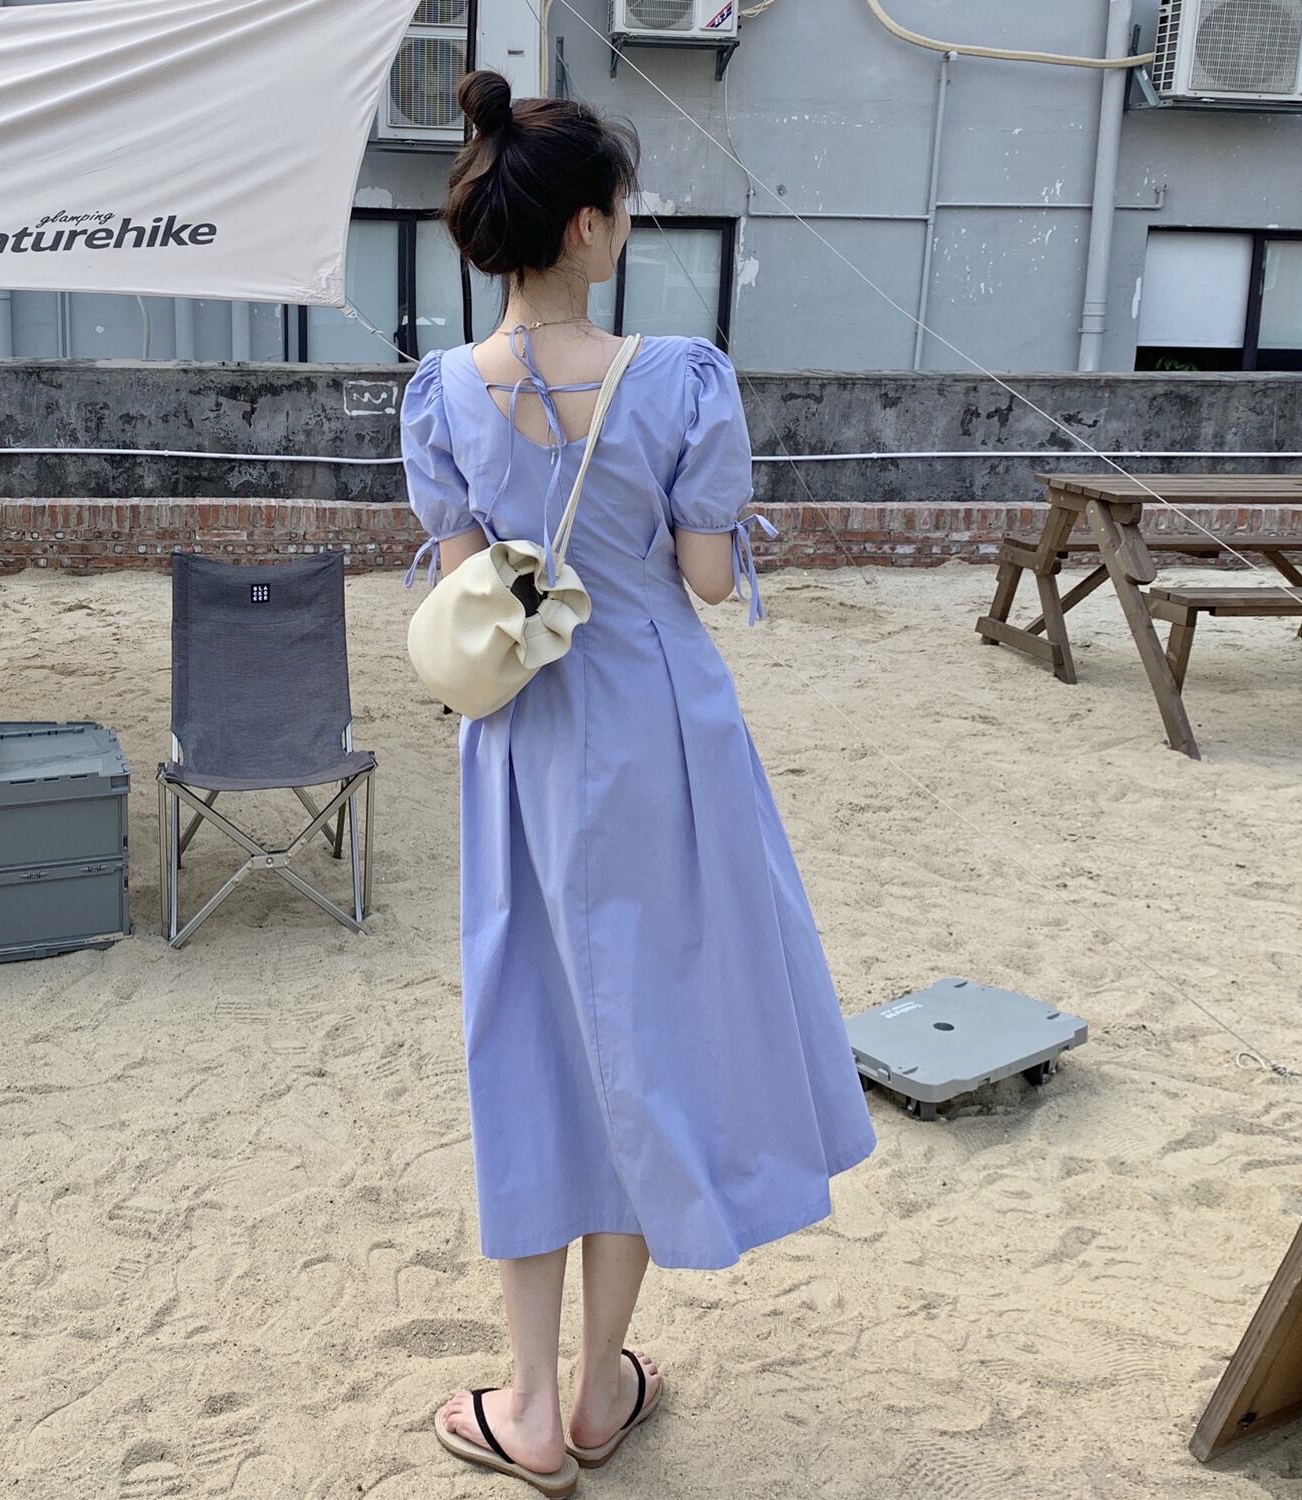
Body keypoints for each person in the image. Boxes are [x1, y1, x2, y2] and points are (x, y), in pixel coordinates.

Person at [401, 69, 876, 1496]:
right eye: (623, 208)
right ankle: (603, 1387)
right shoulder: (680, 377)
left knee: (530, 1035)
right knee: (646, 1036)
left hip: (525, 741)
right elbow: (708, 577)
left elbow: (463, 580)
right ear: (590, 227)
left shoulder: (443, 392)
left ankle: (531, 1404)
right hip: (660, 736)